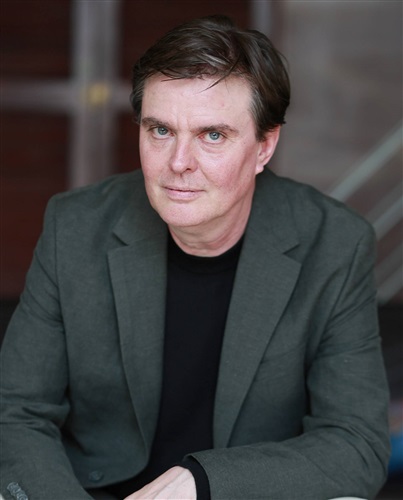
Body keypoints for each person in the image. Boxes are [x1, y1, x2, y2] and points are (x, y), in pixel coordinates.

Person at [0, 15, 390, 500]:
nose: (179, 163)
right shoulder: (76, 227)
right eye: (161, 130)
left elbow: (356, 443)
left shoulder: (334, 244)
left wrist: (204, 481)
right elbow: (16, 412)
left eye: (213, 135)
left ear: (264, 146)